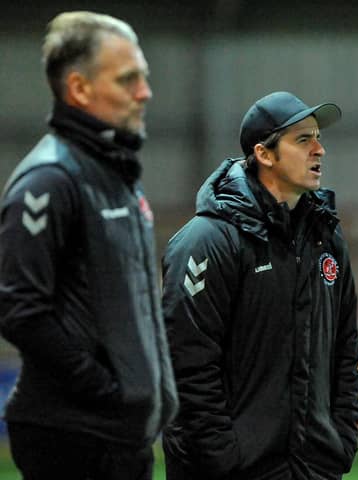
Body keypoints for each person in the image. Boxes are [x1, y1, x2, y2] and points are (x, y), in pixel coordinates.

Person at [0, 11, 178, 480]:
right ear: (79, 89)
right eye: (128, 80)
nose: (145, 92)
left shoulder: (113, 175)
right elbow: (20, 309)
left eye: (144, 77)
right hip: (74, 440)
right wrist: (107, 390)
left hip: (117, 438)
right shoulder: (50, 180)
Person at [161, 91, 358, 479]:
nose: (319, 150)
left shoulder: (327, 240)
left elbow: (345, 349)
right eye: (303, 139)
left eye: (318, 137)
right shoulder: (207, 241)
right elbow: (186, 364)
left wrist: (339, 440)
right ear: (265, 154)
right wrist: (224, 458)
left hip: (312, 469)